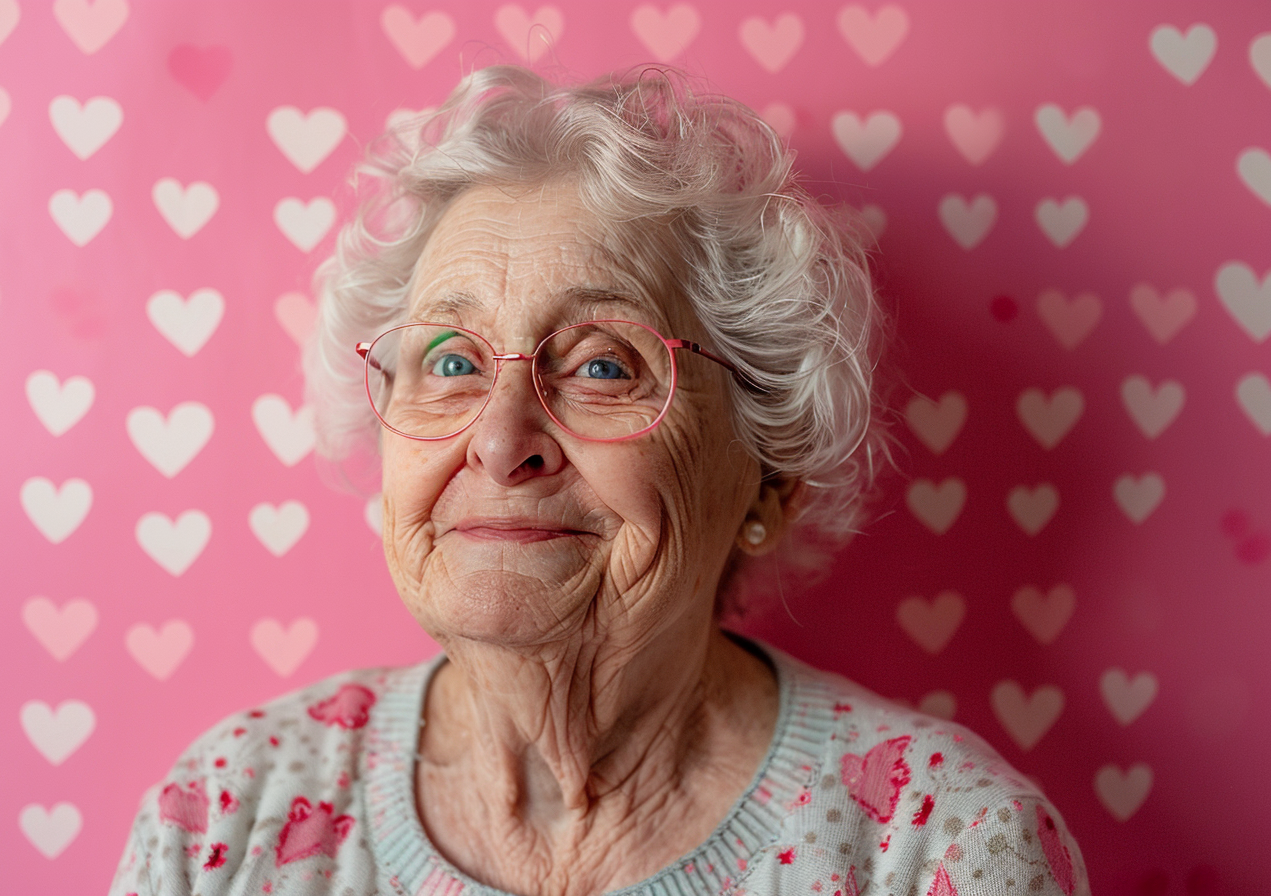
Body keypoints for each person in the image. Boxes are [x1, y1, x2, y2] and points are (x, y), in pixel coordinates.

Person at [110, 66, 1087, 896]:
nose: (501, 441)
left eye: (603, 365)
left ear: (770, 478)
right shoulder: (223, 820)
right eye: (450, 361)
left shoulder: (942, 848)